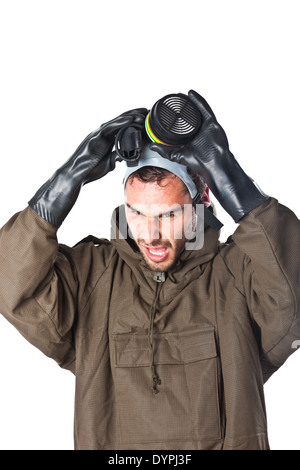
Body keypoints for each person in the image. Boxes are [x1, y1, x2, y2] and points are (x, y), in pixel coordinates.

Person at [0, 90, 299, 451]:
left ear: (203, 198)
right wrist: (66, 180)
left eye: (168, 215)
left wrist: (230, 177)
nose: (150, 235)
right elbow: (12, 281)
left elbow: (291, 294)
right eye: (136, 213)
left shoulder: (238, 275)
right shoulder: (92, 278)